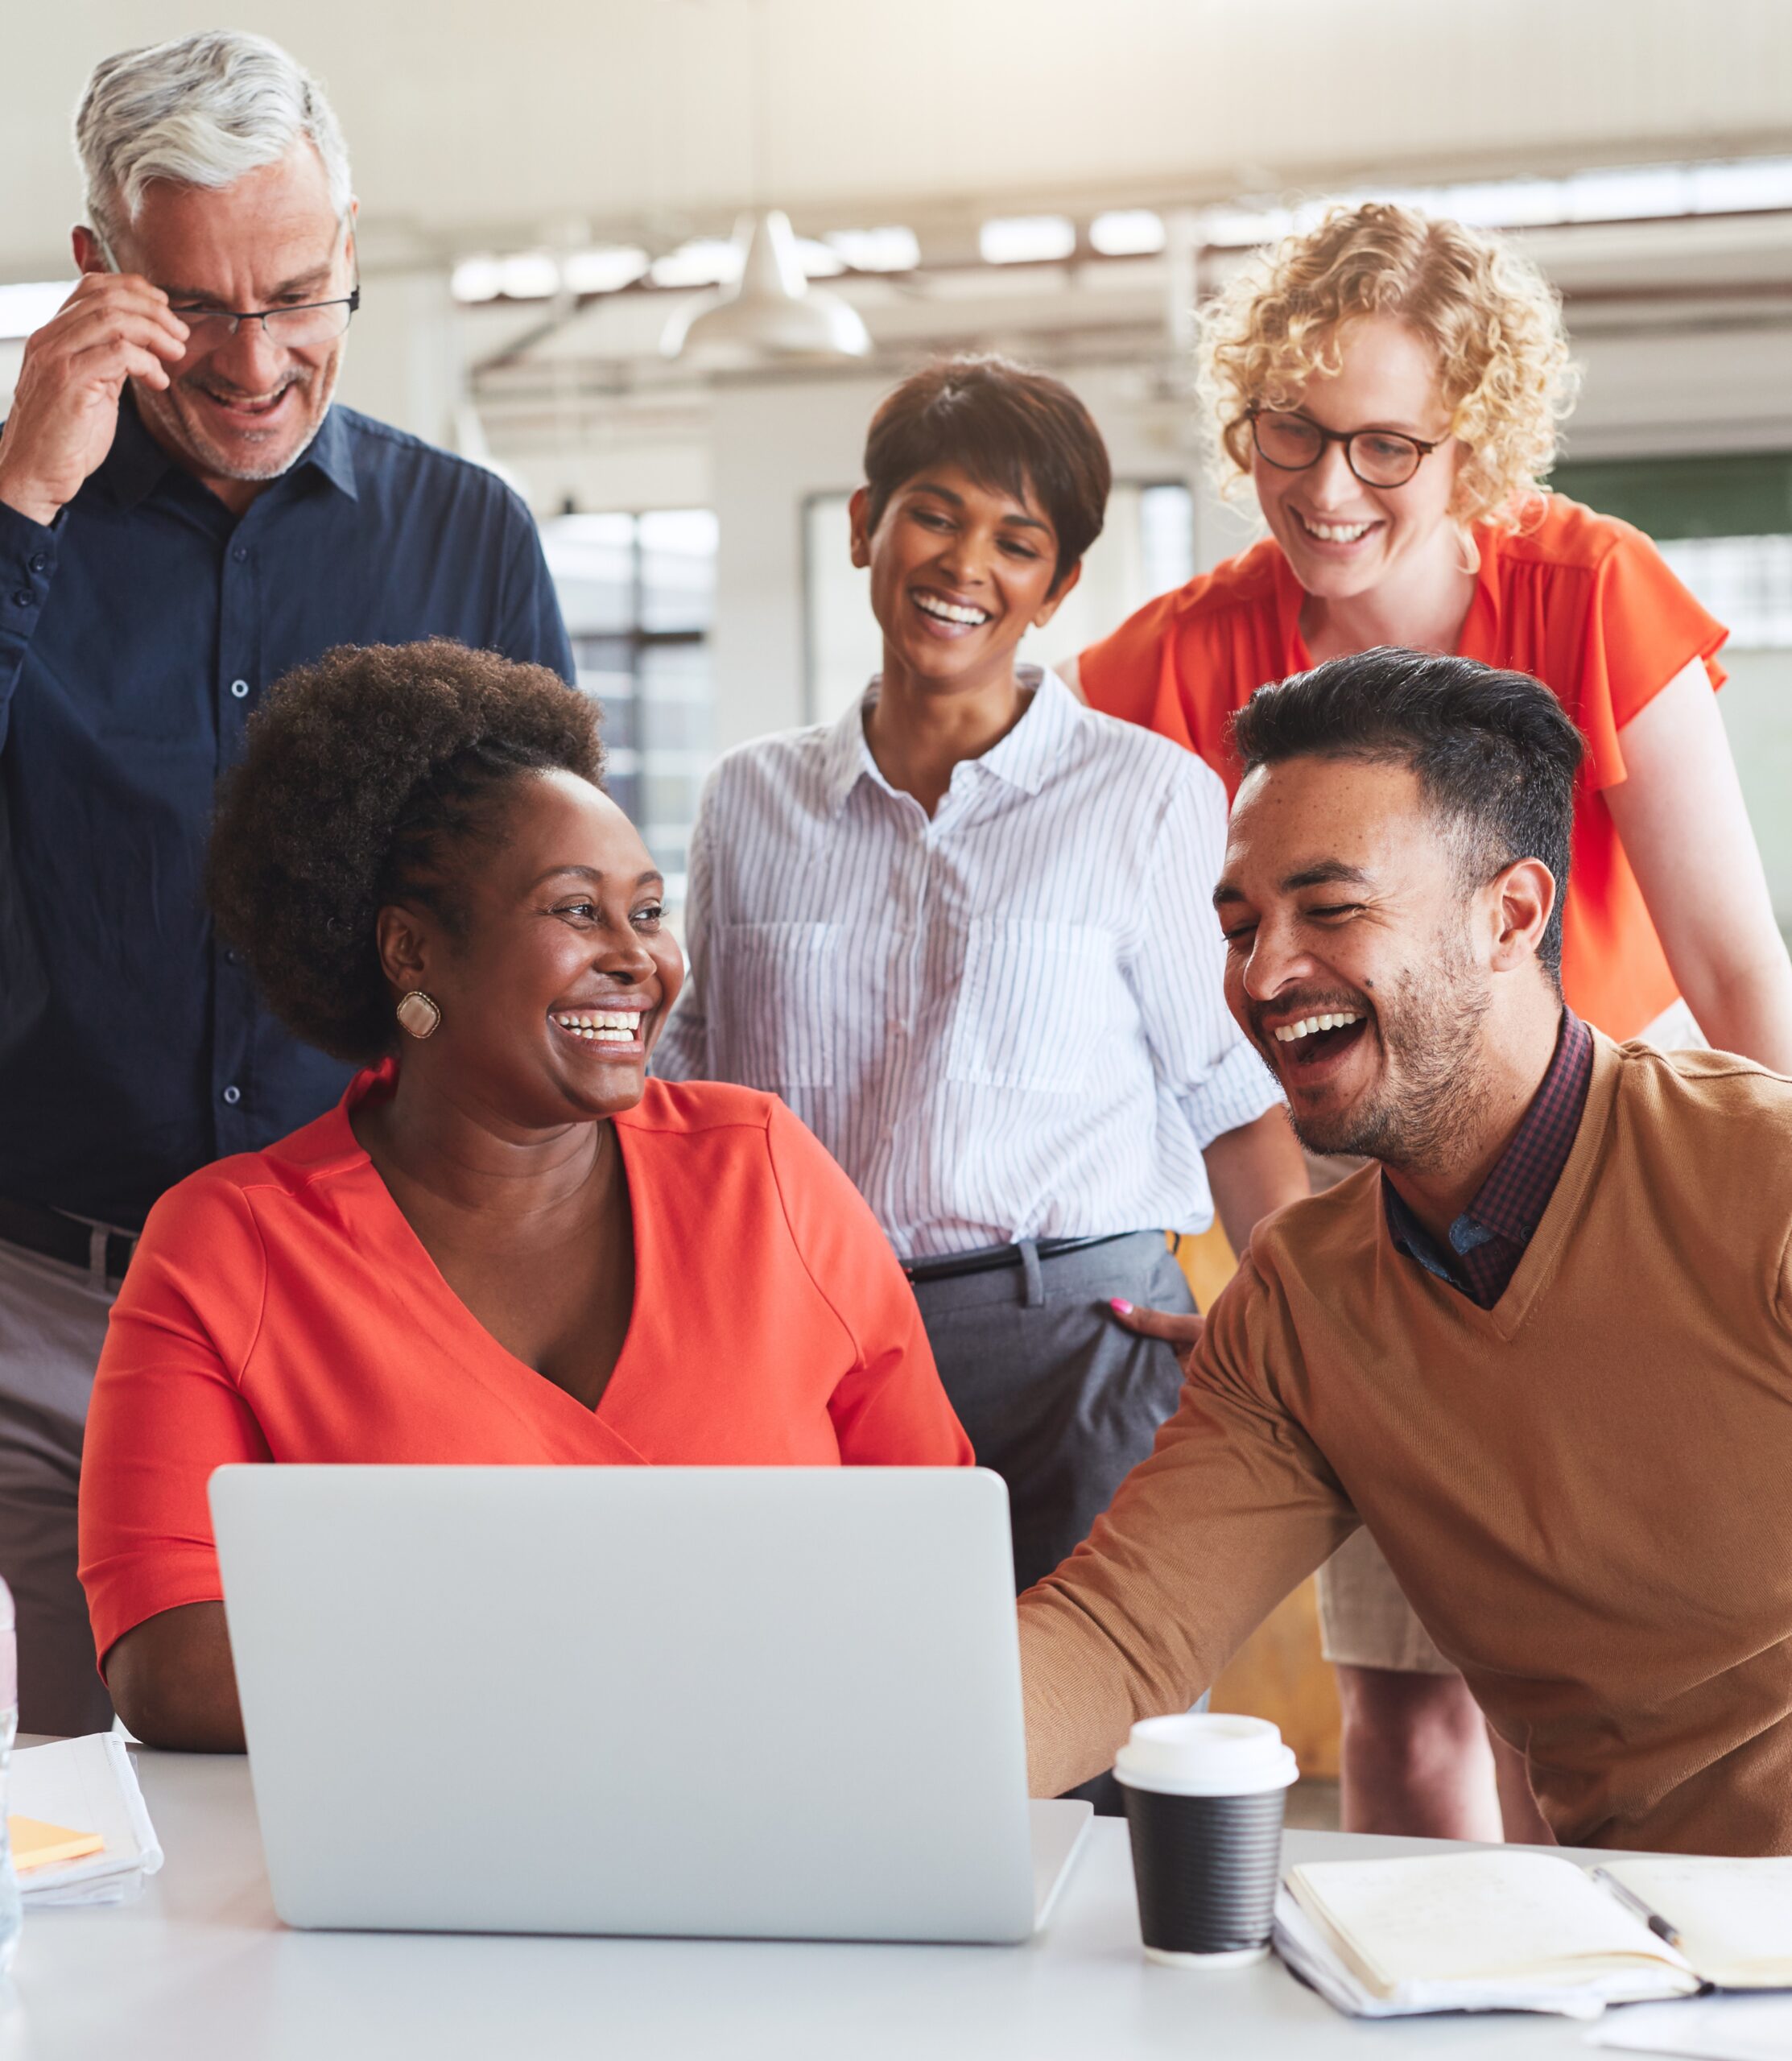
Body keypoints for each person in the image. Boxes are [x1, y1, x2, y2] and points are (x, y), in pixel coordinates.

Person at [1073, 202, 1792, 1840]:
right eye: (1294, 433)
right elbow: (1227, 1005)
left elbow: (1740, 971)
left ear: (1478, 439)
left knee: (1590, 1711)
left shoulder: (1592, 589)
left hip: (1629, 1174)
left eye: (1388, 445)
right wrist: (1285, 1301)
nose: (1330, 488)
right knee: (1408, 1719)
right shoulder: (1177, 658)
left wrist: (1729, 1248)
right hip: (1365, 1204)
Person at [76, 642, 972, 1753]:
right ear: (411, 951)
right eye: (574, 910)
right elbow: (172, 1664)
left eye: (647, 912)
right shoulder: (230, 1241)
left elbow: (934, 1556)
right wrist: (666, 1662)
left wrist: (445, 1652)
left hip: (776, 1828)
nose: (636, 959)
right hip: (400, 1883)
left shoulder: (763, 1171)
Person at [0, 33, 574, 1733]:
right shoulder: (13, 510)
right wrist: (21, 497)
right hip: (50, 1315)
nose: (257, 364)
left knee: (394, 1783)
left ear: (349, 254)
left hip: (381, 1294)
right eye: (199, 309)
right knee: (74, 1843)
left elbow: (553, 924)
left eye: (302, 298)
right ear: (99, 274)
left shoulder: (465, 533)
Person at [1019, 648, 1792, 1858]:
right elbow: (1125, 1639)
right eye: (1238, 926)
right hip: (1629, 1954)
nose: (1265, 974)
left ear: (1511, 914)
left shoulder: (1763, 1178)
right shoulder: (1303, 1300)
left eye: (1329, 910)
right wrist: (817, 1775)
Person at [655, 356, 1307, 1628]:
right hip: (813, 1347)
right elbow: (691, 1101)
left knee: (1094, 1755)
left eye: (1017, 542)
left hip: (1077, 1343)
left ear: (1056, 590)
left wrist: (1285, 1343)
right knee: (839, 1730)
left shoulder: (1149, 797)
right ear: (865, 526)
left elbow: (1232, 1102)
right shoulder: (750, 800)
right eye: (935, 515)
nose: (965, 566)